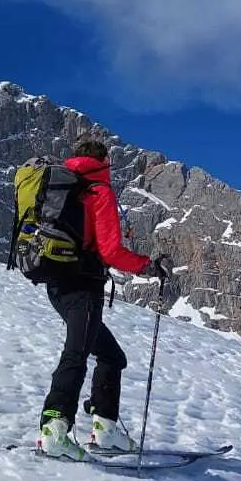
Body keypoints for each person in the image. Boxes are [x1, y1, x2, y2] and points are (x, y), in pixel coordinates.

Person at [37, 138, 168, 457]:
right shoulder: (98, 191)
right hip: (83, 285)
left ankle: (106, 430)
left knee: (111, 356)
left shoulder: (60, 186)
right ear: (104, 161)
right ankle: (54, 430)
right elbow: (110, 251)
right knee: (76, 354)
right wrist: (147, 266)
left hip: (57, 284)